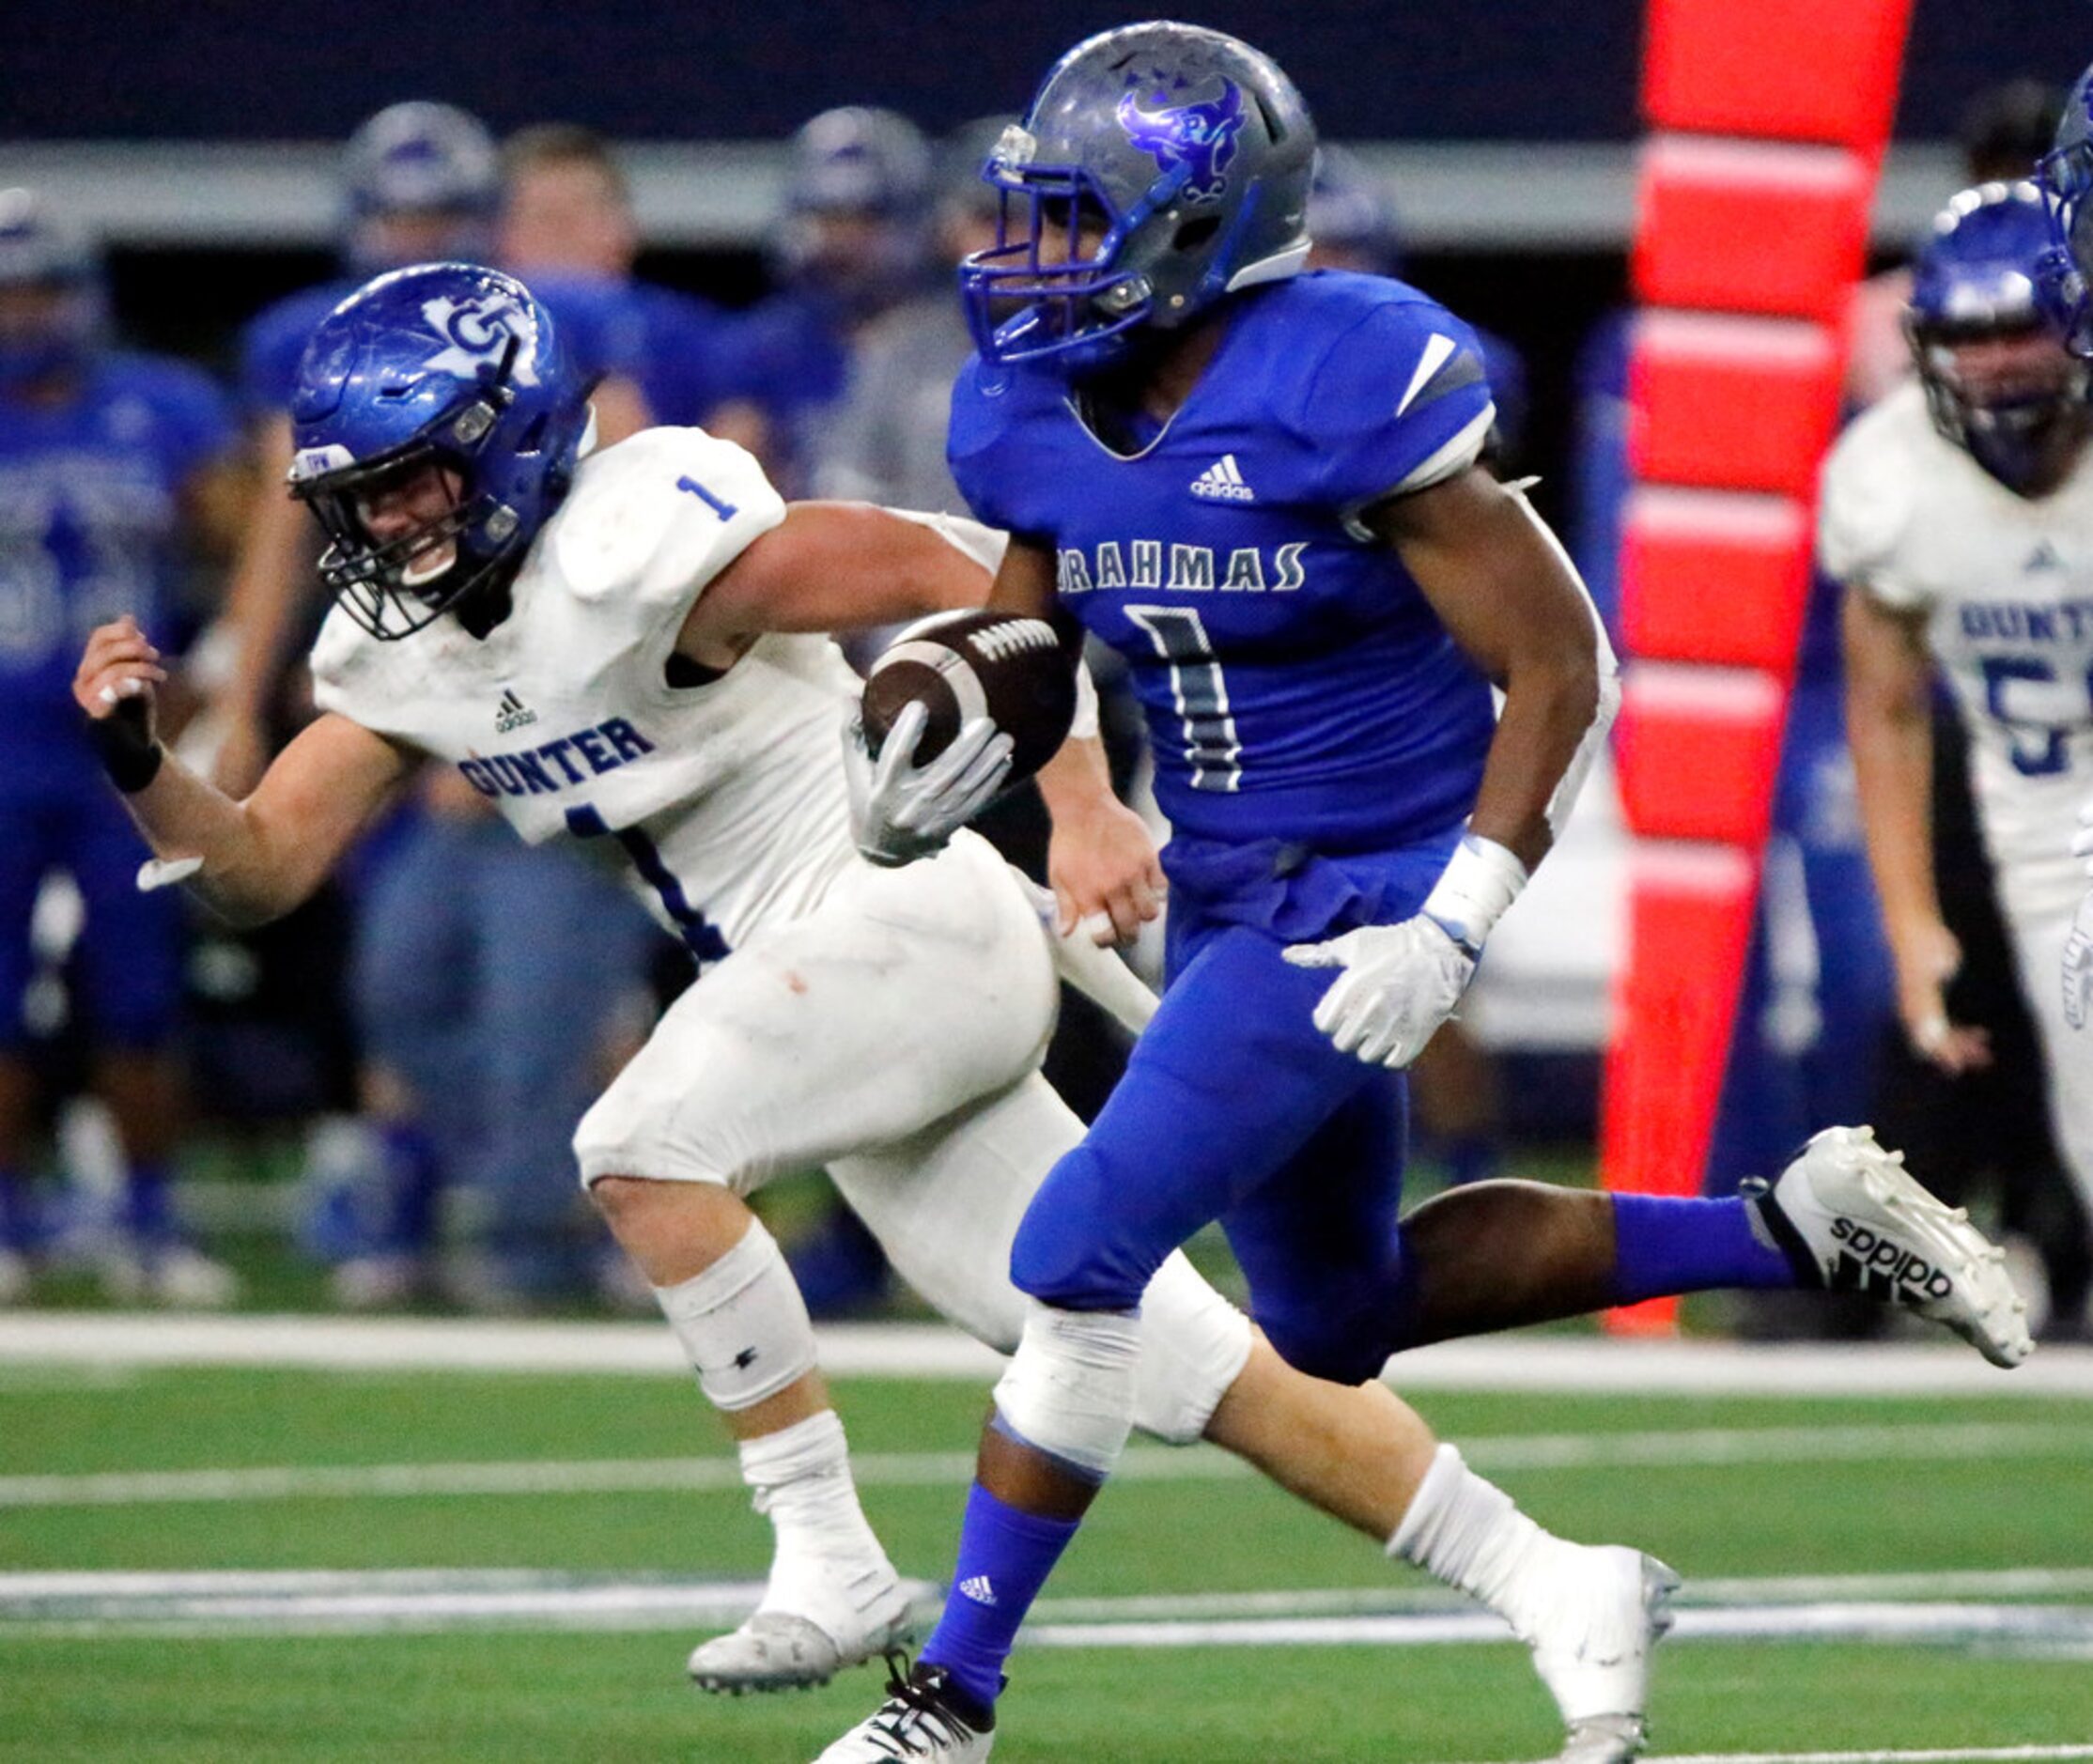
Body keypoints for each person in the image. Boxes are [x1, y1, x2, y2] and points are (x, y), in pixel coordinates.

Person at [78, 260, 1700, 1753]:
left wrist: (1071, 798)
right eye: (366, 494)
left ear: (513, 441)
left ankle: (828, 1550)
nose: (397, 522)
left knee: (639, 1143)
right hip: (813, 996)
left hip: (903, 917)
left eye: (421, 475)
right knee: (1172, 1362)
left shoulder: (647, 541)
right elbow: (262, 864)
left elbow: (974, 586)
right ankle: (1557, 1577)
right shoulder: (401, 653)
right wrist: (148, 769)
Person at [817, 24, 2033, 1762]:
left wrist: (1453, 914)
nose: (1029, 255)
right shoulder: (1022, 397)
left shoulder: (1341, 371)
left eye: (1076, 218)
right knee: (1336, 1315)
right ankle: (1799, 1222)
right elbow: (1034, 626)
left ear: (1194, 225)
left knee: (1073, 1249)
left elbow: (1559, 664)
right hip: (1231, 882)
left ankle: (950, 1691)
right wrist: (945, 746)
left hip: (1370, 877)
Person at [1831, 181, 2093, 1335]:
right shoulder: (1887, 477)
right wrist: (1910, 924)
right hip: (2040, 831)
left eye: (2016, 326)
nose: (1990, 362)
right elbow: (1884, 708)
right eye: (1962, 333)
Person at [0, 189, 242, 1304]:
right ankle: (11, 1218)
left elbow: (255, 543)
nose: (22, 315)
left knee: (137, 996)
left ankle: (148, 1216)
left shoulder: (163, 406)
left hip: (122, 751)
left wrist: (222, 667)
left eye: (39, 290)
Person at [711, 106, 936, 495]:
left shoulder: (956, 342)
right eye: (830, 218)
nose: (845, 240)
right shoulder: (765, 346)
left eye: (865, 218)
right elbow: (724, 487)